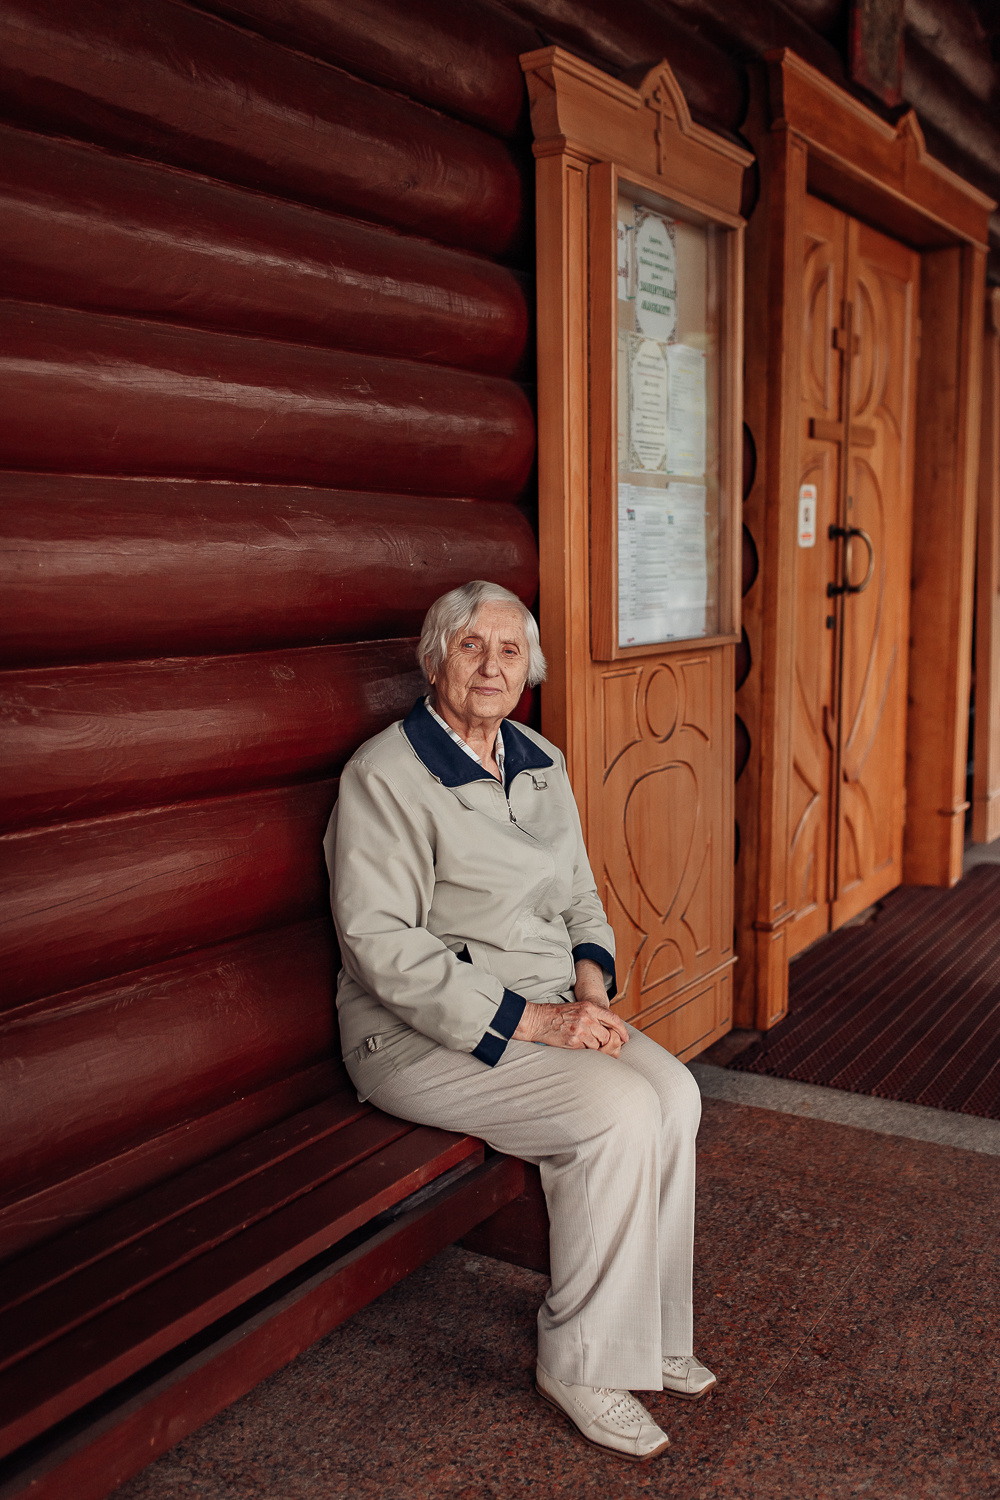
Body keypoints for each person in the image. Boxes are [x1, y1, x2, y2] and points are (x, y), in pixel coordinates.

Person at [325, 580, 714, 1462]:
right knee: (613, 1114)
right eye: (471, 647)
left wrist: (592, 995)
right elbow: (379, 948)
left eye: (508, 651)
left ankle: (648, 1331)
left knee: (676, 1094)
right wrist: (539, 1023)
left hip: (549, 1003)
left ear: (529, 669)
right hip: (414, 1033)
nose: (491, 667)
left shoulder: (538, 755)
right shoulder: (385, 775)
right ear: (436, 659)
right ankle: (579, 1361)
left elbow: (579, 893)